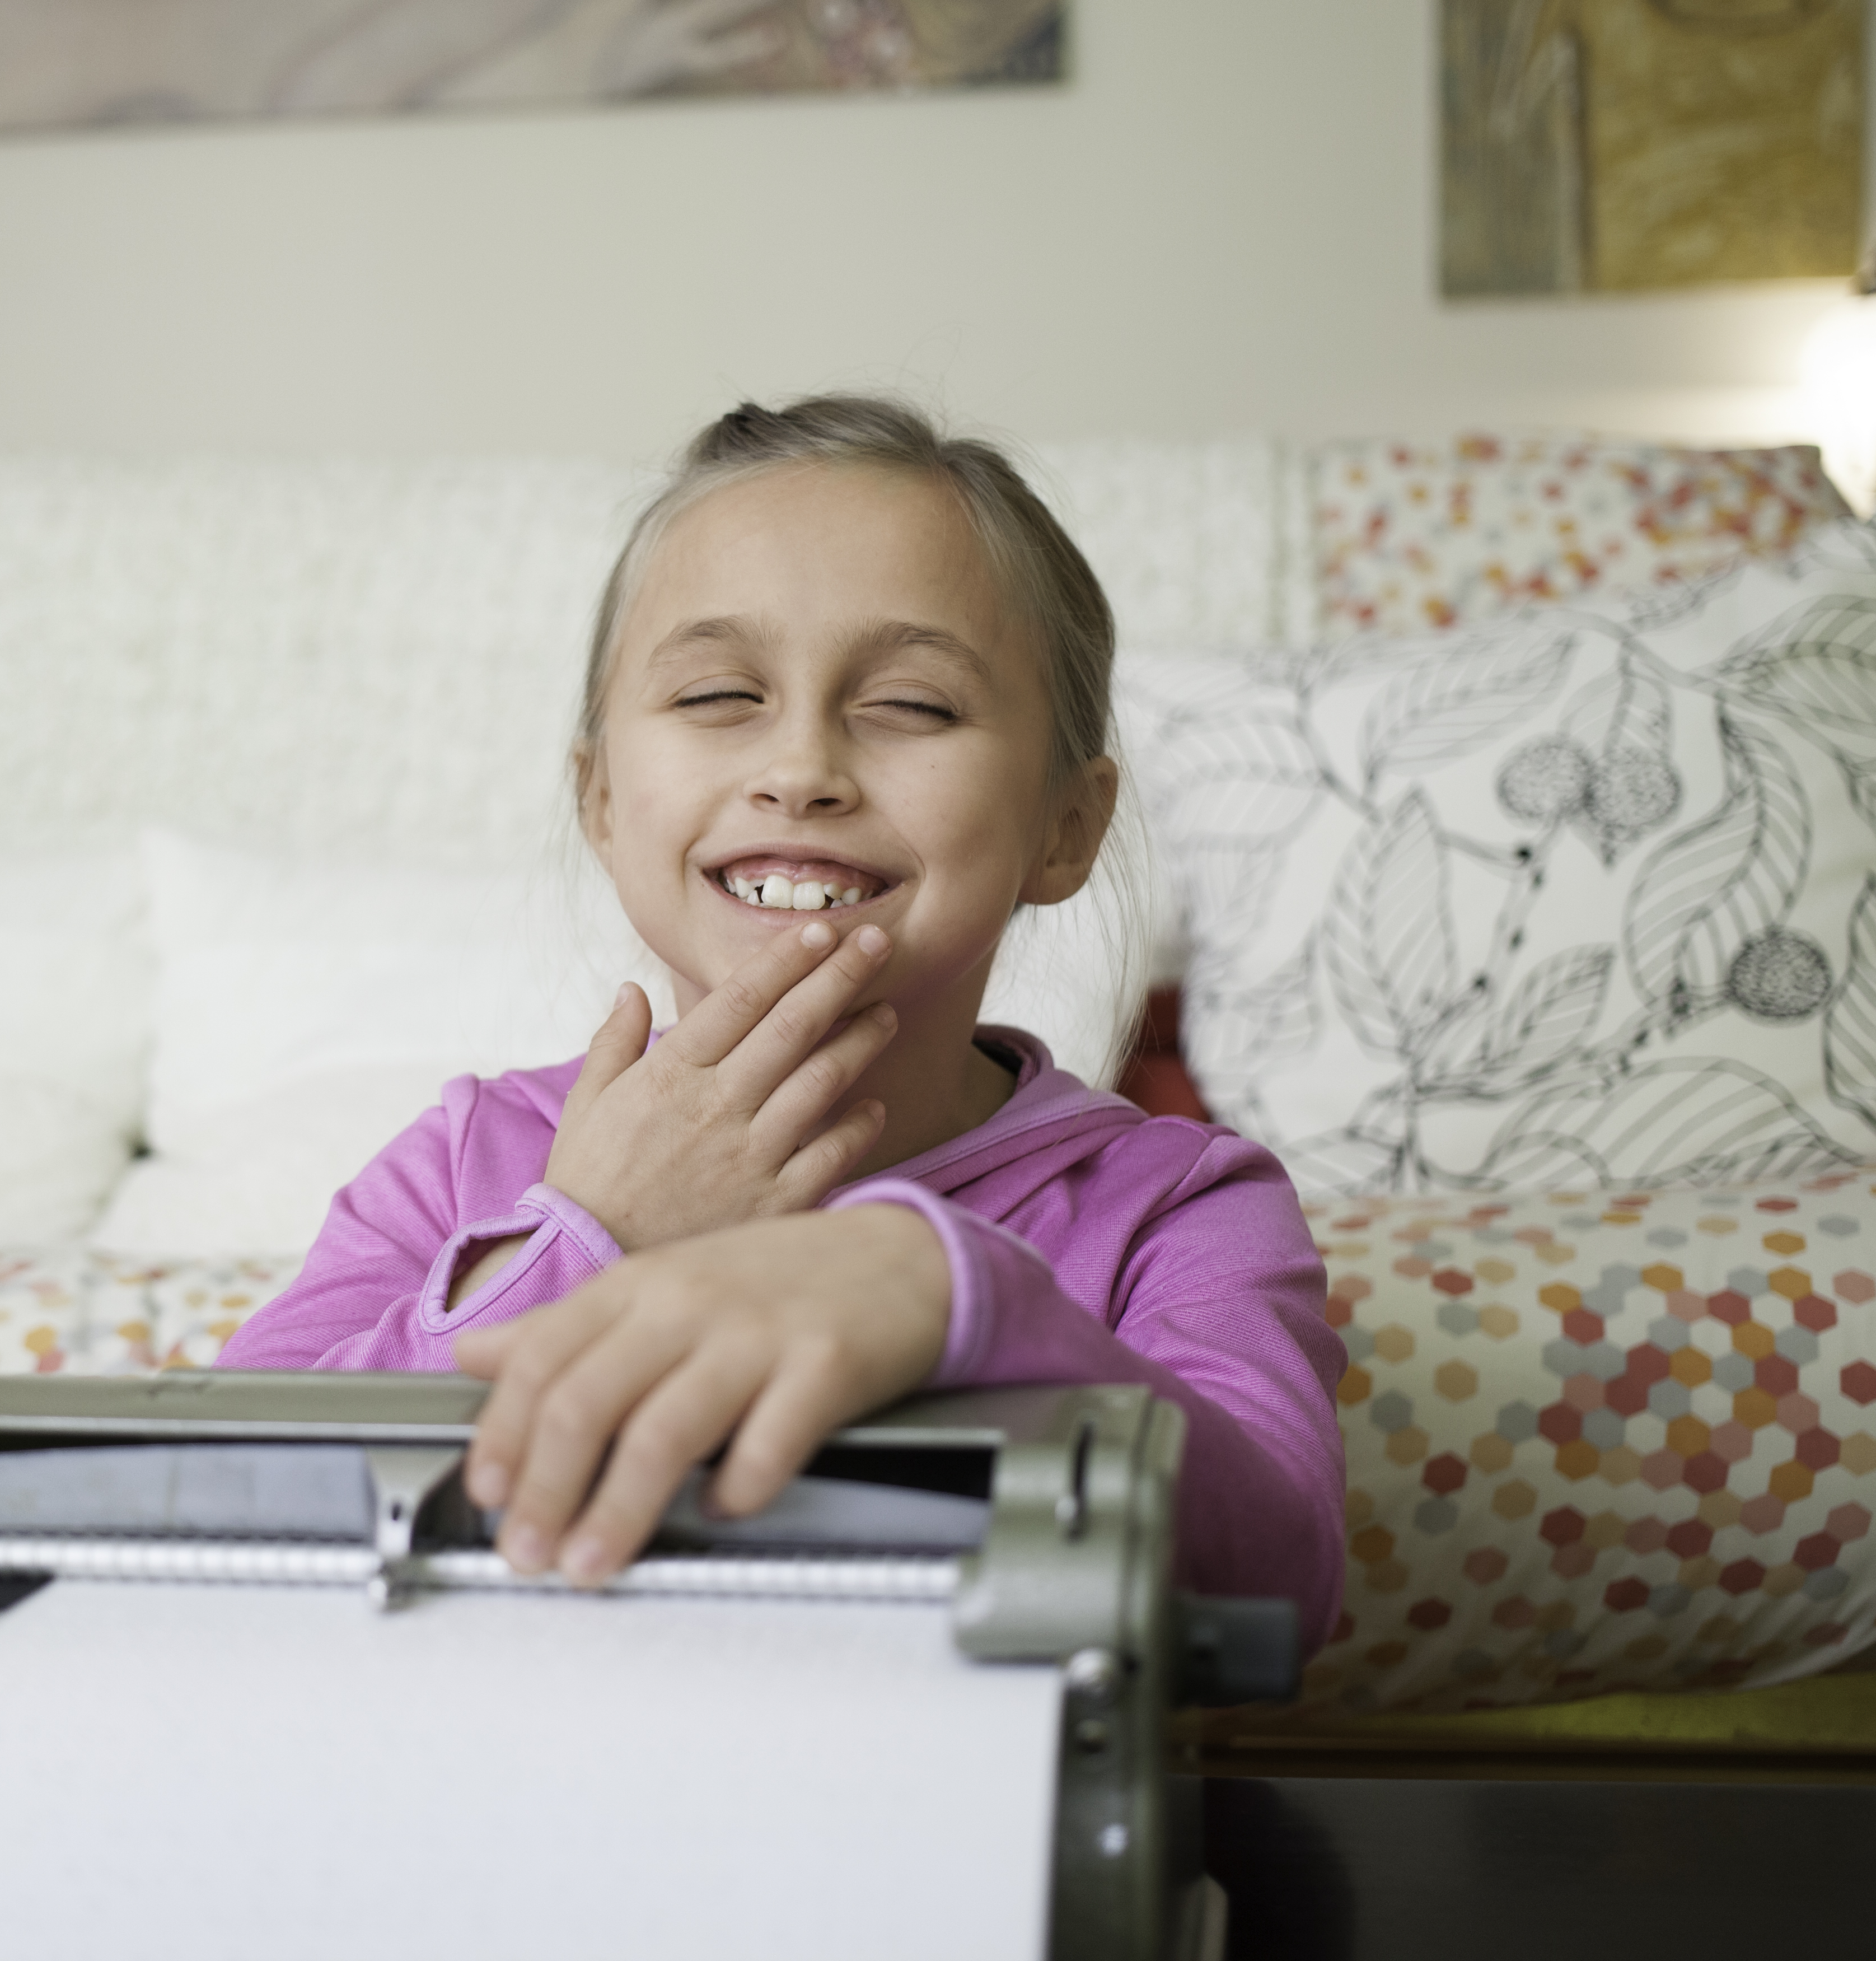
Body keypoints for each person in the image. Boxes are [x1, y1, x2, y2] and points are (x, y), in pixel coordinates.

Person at [218, 395, 1345, 1637]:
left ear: (1064, 825)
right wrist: (591, 1234)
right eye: (715, 696)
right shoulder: (459, 1162)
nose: (800, 766)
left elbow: (1283, 1576)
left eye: (913, 704)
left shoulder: (1177, 1206)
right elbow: (215, 1511)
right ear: (598, 797)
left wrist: (953, 1294)